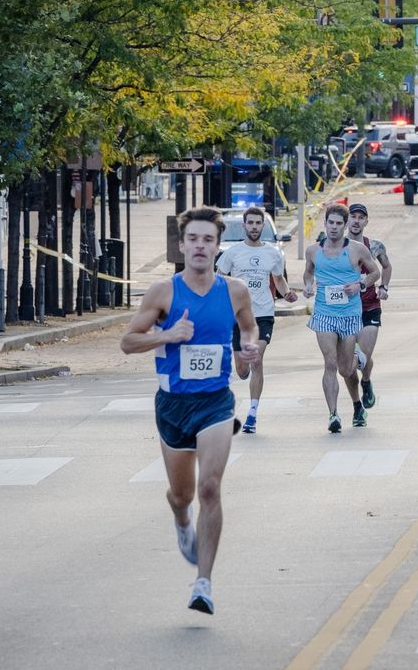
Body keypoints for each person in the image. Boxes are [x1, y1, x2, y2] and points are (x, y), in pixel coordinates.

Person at [120, 206, 262, 615]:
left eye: (209, 240)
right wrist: (168, 335)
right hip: (174, 404)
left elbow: (248, 326)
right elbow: (128, 342)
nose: (201, 246)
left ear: (219, 247)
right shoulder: (163, 292)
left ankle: (204, 583)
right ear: (181, 246)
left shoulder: (234, 290)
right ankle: (182, 519)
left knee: (210, 488)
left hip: (216, 401)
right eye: (194, 240)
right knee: (183, 494)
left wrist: (248, 347)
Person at [215, 205, 297, 434]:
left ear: (262, 225)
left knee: (257, 358)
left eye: (257, 223)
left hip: (263, 314)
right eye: (249, 223)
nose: (253, 227)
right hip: (238, 316)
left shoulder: (272, 253)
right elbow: (219, 280)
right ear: (244, 226)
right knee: (242, 369)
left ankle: (252, 413)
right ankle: (245, 371)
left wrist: (287, 293)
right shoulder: (232, 253)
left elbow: (278, 280)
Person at [304, 203, 382, 433]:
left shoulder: (357, 249)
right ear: (325, 224)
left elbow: (375, 272)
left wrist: (360, 284)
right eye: (331, 223)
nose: (335, 228)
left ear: (345, 225)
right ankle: (333, 414)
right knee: (330, 363)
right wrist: (308, 286)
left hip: (349, 314)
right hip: (324, 313)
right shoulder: (313, 250)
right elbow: (308, 272)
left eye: (339, 224)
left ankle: (358, 366)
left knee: (346, 370)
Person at [346, 202, 391, 410]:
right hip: (344, 310)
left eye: (360, 217)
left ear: (366, 221)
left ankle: (366, 381)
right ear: (347, 220)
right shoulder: (335, 246)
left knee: (363, 358)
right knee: (350, 362)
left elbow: (386, 266)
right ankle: (358, 396)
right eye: (352, 217)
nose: (356, 221)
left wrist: (384, 287)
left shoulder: (374, 245)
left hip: (369, 306)